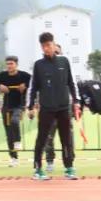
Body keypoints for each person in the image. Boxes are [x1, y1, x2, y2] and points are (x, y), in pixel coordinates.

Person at [27, 33, 80, 181]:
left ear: (54, 45)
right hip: (46, 108)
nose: (46, 48)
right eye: (43, 46)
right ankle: (38, 169)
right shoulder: (39, 65)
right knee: (42, 139)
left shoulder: (64, 61)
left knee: (66, 138)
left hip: (64, 107)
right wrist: (30, 106)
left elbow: (71, 83)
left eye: (49, 45)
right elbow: (33, 87)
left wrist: (76, 101)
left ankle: (69, 168)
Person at [0, 57, 32, 167]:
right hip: (6, 107)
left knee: (15, 121)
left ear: (16, 64)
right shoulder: (3, 75)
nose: (9, 66)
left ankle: (18, 141)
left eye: (11, 63)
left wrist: (25, 84)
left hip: (19, 105)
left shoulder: (24, 75)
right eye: (7, 64)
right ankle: (13, 158)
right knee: (9, 134)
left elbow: (35, 81)